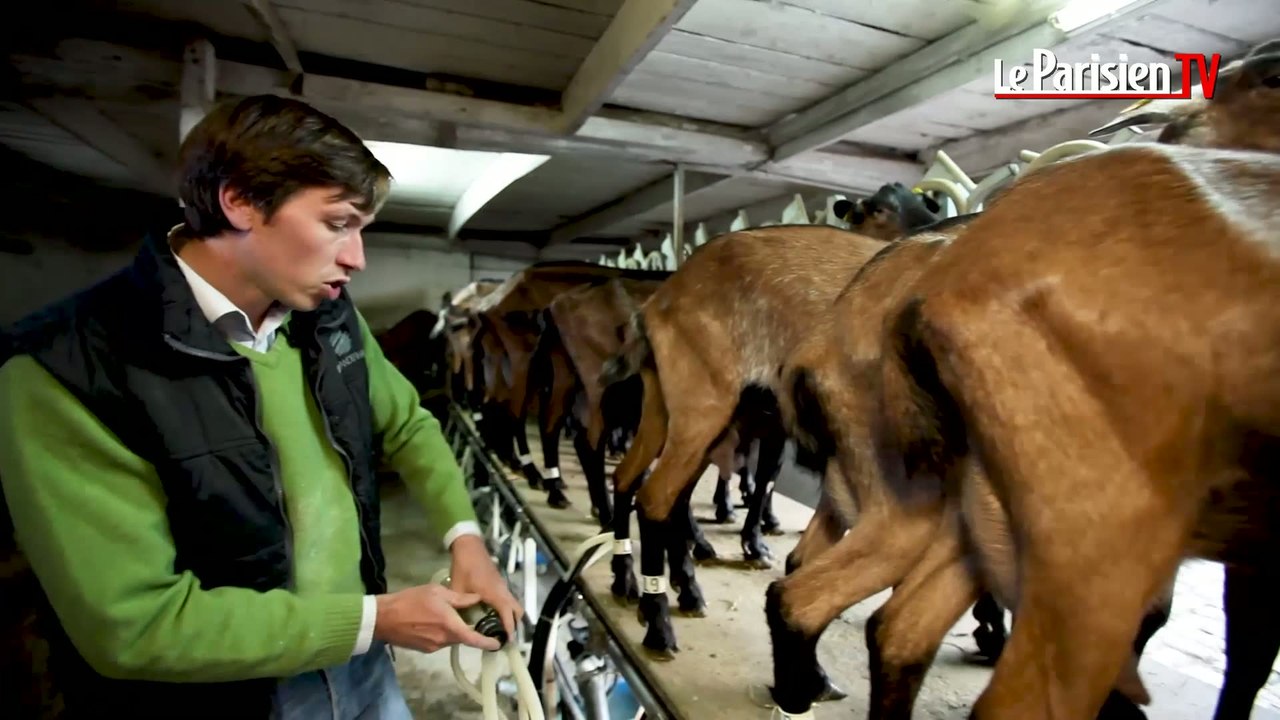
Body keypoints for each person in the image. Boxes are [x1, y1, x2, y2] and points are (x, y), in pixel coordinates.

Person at [0, 94, 523, 718]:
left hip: (362, 670)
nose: (357, 258)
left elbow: (407, 423)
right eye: (337, 223)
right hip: (221, 697)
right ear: (241, 201)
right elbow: (133, 626)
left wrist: (466, 540)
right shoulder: (66, 369)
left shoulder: (328, 319)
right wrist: (375, 618)